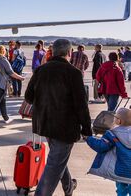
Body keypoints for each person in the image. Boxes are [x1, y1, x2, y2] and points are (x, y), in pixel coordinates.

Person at [25, 39, 92, 196]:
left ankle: (68, 187)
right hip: (65, 127)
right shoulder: (73, 73)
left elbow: (28, 97)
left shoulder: (40, 70)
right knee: (55, 164)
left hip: (45, 124)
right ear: (69, 53)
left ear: (53, 52)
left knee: (58, 159)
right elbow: (81, 105)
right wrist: (87, 129)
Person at [86, 107, 130, 195]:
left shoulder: (112, 134)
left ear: (119, 121)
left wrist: (88, 138)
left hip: (121, 171)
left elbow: (101, 146)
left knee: (121, 190)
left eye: (116, 118)